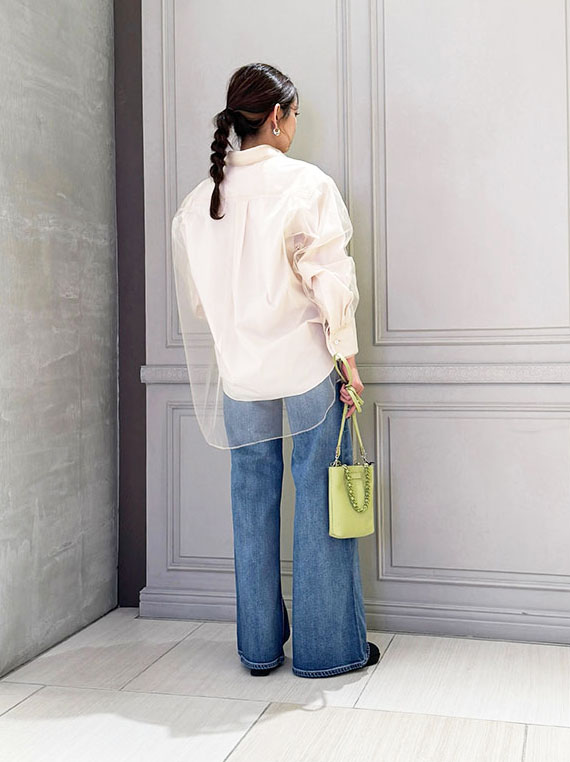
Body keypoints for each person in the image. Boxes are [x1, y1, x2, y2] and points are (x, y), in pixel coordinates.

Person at [171, 62, 380, 678]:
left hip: (240, 373)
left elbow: (202, 304)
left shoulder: (199, 202)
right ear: (276, 116)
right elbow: (330, 283)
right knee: (319, 498)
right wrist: (347, 361)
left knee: (251, 499)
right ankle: (327, 651)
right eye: (294, 114)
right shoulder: (307, 184)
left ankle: (259, 649)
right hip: (306, 366)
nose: (295, 125)